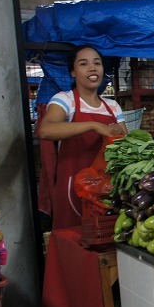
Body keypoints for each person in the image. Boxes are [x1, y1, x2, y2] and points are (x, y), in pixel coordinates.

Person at [37, 45, 127, 229]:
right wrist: (94, 126)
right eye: (83, 64)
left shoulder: (113, 106)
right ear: (73, 72)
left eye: (97, 63)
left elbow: (125, 140)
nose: (92, 68)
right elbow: (45, 130)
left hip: (105, 190)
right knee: (73, 239)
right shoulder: (64, 99)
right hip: (72, 189)